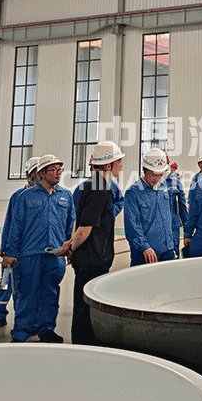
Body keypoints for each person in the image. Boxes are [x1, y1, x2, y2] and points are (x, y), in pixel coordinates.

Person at [5, 155, 75, 343]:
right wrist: (11, 253)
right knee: (26, 293)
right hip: (30, 254)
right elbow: (16, 226)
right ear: (41, 173)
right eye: (53, 170)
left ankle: (47, 329)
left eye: (60, 170)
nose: (58, 173)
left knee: (50, 293)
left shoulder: (66, 196)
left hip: (56, 255)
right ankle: (21, 331)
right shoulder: (26, 197)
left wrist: (70, 248)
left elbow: (71, 225)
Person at [69, 141, 124, 344]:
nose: (121, 165)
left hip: (92, 256)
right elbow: (85, 228)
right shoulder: (99, 189)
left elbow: (79, 221)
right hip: (92, 258)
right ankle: (83, 345)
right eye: (118, 161)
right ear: (108, 165)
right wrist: (72, 248)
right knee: (85, 307)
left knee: (84, 305)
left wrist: (71, 243)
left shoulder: (93, 185)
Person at [0, 155, 40, 331]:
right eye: (36, 172)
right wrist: (5, 247)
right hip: (14, 249)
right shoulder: (17, 196)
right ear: (28, 174)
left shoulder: (44, 197)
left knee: (26, 288)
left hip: (30, 251)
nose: (39, 175)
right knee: (5, 284)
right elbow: (9, 223)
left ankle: (26, 320)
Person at [124, 148, 177, 265]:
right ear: (145, 169)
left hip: (167, 250)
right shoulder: (133, 192)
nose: (157, 179)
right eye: (153, 175)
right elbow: (132, 226)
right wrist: (144, 246)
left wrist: (172, 244)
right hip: (145, 254)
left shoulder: (164, 186)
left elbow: (168, 217)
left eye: (160, 175)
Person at [164, 153, 187, 257]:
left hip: (173, 225)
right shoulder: (148, 184)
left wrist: (187, 228)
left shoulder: (176, 182)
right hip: (156, 228)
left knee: (174, 254)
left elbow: (182, 206)